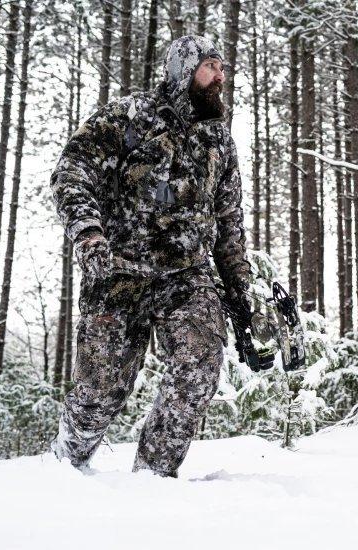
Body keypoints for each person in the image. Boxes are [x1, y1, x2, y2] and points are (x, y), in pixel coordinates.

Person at [47, 35, 256, 478]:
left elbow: (229, 220)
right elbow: (71, 171)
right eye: (211, 66)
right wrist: (89, 235)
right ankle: (65, 465)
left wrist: (240, 288)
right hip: (118, 271)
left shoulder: (219, 141)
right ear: (184, 70)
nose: (220, 76)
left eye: (222, 68)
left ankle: (152, 479)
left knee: (200, 362)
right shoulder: (128, 117)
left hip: (187, 275)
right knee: (101, 392)